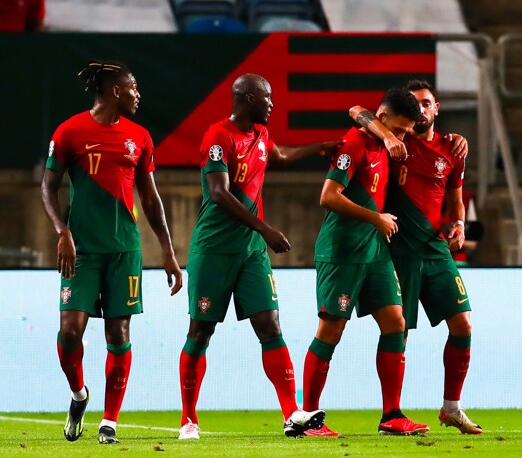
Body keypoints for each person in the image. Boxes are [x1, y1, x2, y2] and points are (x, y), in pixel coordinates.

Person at [178, 73, 338, 440]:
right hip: (214, 250)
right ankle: (188, 419)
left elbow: (281, 155)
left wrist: (321, 147)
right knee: (200, 332)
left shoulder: (261, 135)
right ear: (249, 98)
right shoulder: (218, 136)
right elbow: (218, 192)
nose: (272, 105)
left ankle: (292, 414)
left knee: (270, 325)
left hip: (251, 253)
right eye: (267, 98)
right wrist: (265, 228)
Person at [41, 60, 183, 444]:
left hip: (124, 251)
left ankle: (109, 421)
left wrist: (168, 252)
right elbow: (47, 187)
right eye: (133, 88)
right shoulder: (70, 132)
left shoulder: (140, 137)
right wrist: (62, 231)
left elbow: (150, 199)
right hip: (82, 252)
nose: (138, 94)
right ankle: (78, 395)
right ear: (115, 91)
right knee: (70, 332)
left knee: (118, 333)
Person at [348, 80, 482, 434]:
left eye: (426, 103)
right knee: (399, 331)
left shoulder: (452, 149)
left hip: (435, 249)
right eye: (415, 104)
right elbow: (356, 111)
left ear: (437, 108)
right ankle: (391, 413)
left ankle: (451, 408)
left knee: (463, 324)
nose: (421, 109)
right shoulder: (392, 138)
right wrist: (388, 137)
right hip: (398, 249)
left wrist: (458, 225)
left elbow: (455, 200)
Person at [301, 88, 428, 437]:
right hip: (342, 250)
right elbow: (328, 196)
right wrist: (375, 218)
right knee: (331, 330)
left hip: (374, 250)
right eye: (398, 130)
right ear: (382, 119)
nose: (402, 138)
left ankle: (392, 415)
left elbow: (360, 110)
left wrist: (392, 136)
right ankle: (306, 417)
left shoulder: (385, 143)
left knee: (395, 322)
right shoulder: (355, 144)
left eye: (406, 132)